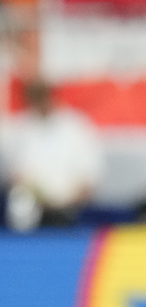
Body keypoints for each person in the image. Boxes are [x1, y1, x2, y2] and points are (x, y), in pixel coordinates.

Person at [1, 79, 103, 230]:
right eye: (34, 97)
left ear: (51, 95)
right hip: (31, 211)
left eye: (42, 96)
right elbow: (12, 173)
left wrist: (66, 202)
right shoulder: (20, 128)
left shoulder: (76, 126)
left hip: (69, 211)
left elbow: (90, 176)